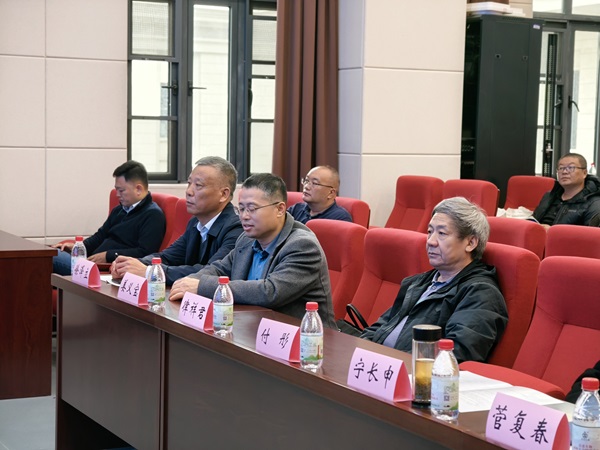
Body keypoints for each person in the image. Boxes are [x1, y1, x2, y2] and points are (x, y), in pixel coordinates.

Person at [169, 173, 337, 328]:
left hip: (305, 339)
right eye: (241, 209)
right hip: (252, 328)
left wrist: (202, 286)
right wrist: (191, 281)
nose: (244, 216)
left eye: (252, 208)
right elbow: (219, 268)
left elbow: (270, 292)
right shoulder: (246, 239)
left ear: (280, 209)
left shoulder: (302, 245)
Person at [360, 197, 508, 363]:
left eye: (442, 233)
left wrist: (391, 364)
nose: (430, 241)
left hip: (412, 373)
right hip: (381, 367)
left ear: (471, 243)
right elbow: (379, 328)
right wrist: (360, 352)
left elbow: (455, 354)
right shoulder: (420, 282)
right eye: (430, 232)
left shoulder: (481, 293)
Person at [111, 157, 243, 285]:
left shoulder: (236, 229)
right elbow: (168, 257)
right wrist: (131, 264)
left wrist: (149, 272)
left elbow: (212, 272)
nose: (188, 191)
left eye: (198, 185)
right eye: (189, 183)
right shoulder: (195, 222)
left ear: (223, 194)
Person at [52, 160, 166, 275]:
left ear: (138, 189)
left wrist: (108, 256)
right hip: (91, 261)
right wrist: (79, 247)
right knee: (50, 253)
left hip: (106, 269)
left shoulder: (153, 215)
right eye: (116, 190)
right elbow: (100, 236)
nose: (117, 195)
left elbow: (145, 253)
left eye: (121, 190)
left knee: (50, 258)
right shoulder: (119, 210)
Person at [533, 153, 600, 228]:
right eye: (561, 168)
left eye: (571, 168)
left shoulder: (595, 203)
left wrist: (553, 231)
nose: (564, 172)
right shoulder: (549, 196)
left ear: (584, 173)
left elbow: (592, 234)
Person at [287, 165, 352, 224]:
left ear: (331, 193)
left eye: (315, 183)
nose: (306, 186)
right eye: (306, 181)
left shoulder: (340, 218)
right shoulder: (296, 209)